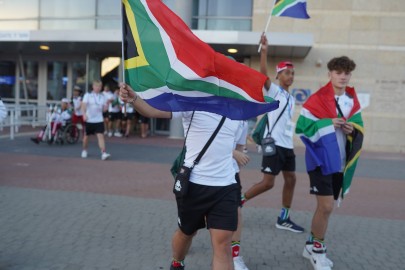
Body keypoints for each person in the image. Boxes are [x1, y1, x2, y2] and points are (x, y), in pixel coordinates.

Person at [120, 83, 241, 270]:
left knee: (223, 244)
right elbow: (153, 111)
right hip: (194, 185)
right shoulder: (192, 101)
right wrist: (134, 99)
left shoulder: (238, 109)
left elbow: (236, 146)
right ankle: (177, 263)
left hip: (226, 185)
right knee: (186, 233)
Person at [296, 56, 363, 270]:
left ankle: (309, 244)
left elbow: (360, 127)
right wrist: (327, 124)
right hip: (321, 161)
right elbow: (302, 129)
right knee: (325, 207)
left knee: (325, 208)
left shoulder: (352, 101)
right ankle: (318, 251)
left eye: (346, 73)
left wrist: (352, 130)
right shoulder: (316, 99)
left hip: (340, 162)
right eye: (338, 72)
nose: (343, 76)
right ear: (330, 74)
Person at [241, 34, 304, 233]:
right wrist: (265, 52)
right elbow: (263, 76)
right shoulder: (274, 91)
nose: (291, 77)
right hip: (274, 144)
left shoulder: (291, 98)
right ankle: (237, 202)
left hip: (287, 146)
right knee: (268, 183)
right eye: (287, 73)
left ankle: (283, 217)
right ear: (279, 76)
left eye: (293, 73)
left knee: (292, 179)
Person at [231, 120, 250, 270]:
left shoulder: (243, 119)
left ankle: (234, 256)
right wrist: (232, 153)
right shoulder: (212, 106)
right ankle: (178, 258)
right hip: (202, 175)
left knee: (236, 213)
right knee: (188, 229)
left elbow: (240, 147)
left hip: (230, 175)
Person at [81, 80, 111, 160]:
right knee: (86, 137)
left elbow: (104, 109)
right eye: (96, 86)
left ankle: (103, 153)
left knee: (100, 136)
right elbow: (83, 106)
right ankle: (84, 150)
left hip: (99, 120)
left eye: (99, 86)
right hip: (89, 120)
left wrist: (107, 106)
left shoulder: (102, 97)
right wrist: (84, 114)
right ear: (93, 87)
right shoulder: (88, 95)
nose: (98, 88)